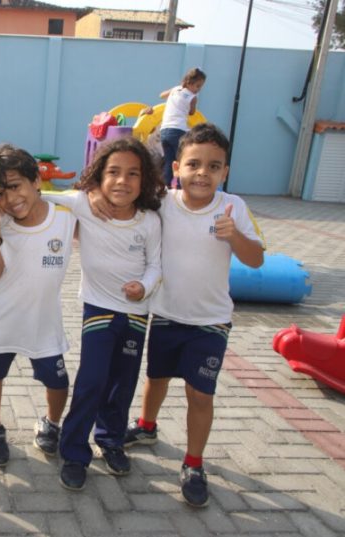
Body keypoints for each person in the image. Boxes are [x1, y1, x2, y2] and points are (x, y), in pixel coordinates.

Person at [122, 123, 265, 507]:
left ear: (225, 172)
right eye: (194, 164)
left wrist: (234, 235)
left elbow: (256, 260)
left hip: (211, 321)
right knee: (156, 377)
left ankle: (194, 462)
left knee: (200, 394)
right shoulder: (163, 203)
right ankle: (147, 426)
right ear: (177, 169)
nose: (203, 173)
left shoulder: (233, 208)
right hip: (166, 314)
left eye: (214, 166)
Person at [45, 137, 164, 491]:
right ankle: (74, 451)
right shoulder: (85, 203)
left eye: (132, 174)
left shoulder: (150, 221)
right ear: (99, 175)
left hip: (137, 313)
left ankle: (111, 439)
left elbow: (157, 265)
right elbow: (42, 195)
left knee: (122, 381)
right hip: (98, 310)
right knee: (92, 380)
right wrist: (88, 191)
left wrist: (144, 286)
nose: (122, 181)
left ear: (144, 181)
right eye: (112, 172)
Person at [0, 144, 77, 467]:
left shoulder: (65, 215)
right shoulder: (0, 222)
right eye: (0, 193)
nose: (10, 199)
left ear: (36, 180)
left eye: (15, 186)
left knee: (58, 382)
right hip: (2, 316)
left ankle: (51, 423)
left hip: (44, 321)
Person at [160, 67, 206, 188]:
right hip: (178, 130)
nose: (198, 89)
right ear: (189, 83)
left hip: (164, 131)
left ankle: (166, 187)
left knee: (169, 161)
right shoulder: (192, 97)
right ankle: (181, 186)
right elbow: (191, 112)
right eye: (197, 86)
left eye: (200, 87)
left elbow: (162, 95)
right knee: (182, 160)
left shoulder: (175, 89)